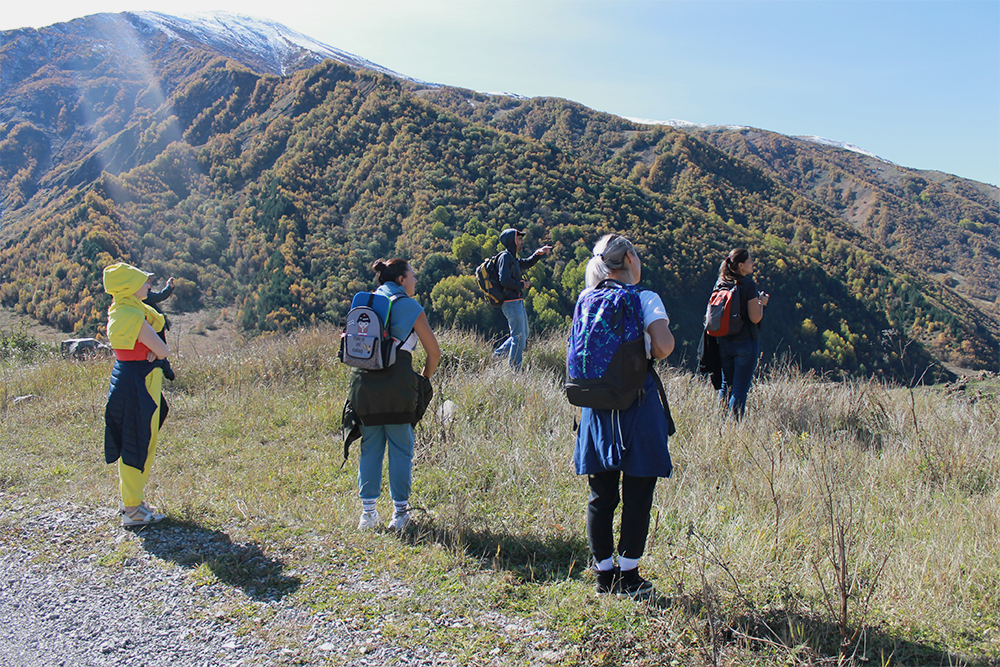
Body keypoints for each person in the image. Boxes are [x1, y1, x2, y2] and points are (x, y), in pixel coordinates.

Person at [572, 234, 675, 599]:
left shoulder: (586, 298)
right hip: (637, 402)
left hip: (596, 405)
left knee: (601, 494)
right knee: (638, 489)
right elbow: (662, 347)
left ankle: (603, 574)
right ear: (630, 258)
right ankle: (629, 575)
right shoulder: (644, 298)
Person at [349, 259, 440, 531]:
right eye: (412, 276)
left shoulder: (364, 303)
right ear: (401, 279)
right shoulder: (411, 307)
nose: (414, 281)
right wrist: (422, 380)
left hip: (363, 385)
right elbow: (433, 353)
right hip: (398, 385)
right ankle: (400, 515)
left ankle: (367, 515)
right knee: (401, 449)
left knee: (370, 448)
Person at [102, 263, 174, 527]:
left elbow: (152, 348)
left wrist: (155, 350)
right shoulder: (132, 315)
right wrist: (158, 351)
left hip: (135, 379)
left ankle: (132, 501)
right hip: (139, 383)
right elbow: (163, 350)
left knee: (137, 438)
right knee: (138, 440)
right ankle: (132, 510)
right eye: (143, 282)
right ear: (129, 287)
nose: (148, 286)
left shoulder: (124, 309)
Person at [714, 248, 769, 418]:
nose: (753, 263)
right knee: (740, 388)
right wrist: (762, 303)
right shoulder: (748, 285)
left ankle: (720, 425)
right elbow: (755, 317)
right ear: (741, 265)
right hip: (745, 342)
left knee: (726, 385)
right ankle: (733, 428)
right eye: (750, 260)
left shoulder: (720, 283)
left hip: (723, 340)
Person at [492, 228, 552, 368]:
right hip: (511, 303)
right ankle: (514, 371)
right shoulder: (505, 257)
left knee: (521, 336)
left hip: (516, 302)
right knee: (518, 338)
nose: (522, 241)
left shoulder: (512, 258)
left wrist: (538, 253)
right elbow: (504, 280)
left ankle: (496, 356)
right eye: (519, 238)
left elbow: (526, 263)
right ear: (512, 241)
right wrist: (521, 284)